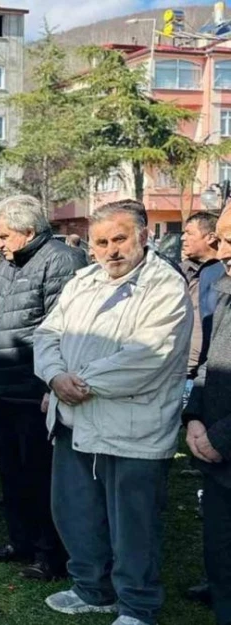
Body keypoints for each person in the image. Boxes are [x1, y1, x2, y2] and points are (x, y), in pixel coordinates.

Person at [35, 199, 191, 625]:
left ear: (142, 235)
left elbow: (146, 356)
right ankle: (92, 588)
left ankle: (138, 607)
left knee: (133, 526)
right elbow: (48, 333)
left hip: (130, 427)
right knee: (76, 512)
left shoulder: (165, 286)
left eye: (119, 239)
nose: (110, 250)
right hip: (73, 418)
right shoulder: (84, 281)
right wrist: (52, 375)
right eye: (100, 242)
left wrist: (76, 383)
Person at [0, 195, 85, 581]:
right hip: (4, 385)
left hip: (35, 389)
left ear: (28, 231)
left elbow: (63, 328)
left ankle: (49, 553)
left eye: (4, 236)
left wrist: (50, 386)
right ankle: (19, 540)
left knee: (40, 476)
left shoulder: (60, 260)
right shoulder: (11, 260)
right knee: (11, 471)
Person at [183, 208, 231, 625]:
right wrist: (194, 417)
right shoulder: (226, 286)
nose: (223, 250)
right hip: (215, 451)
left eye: (230, 240)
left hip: (224, 442)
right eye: (221, 238)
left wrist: (222, 436)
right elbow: (208, 366)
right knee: (218, 546)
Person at [181, 212, 223, 380]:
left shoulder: (222, 275)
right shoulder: (181, 272)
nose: (183, 238)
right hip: (179, 373)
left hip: (209, 374)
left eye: (189, 233)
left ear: (211, 237)